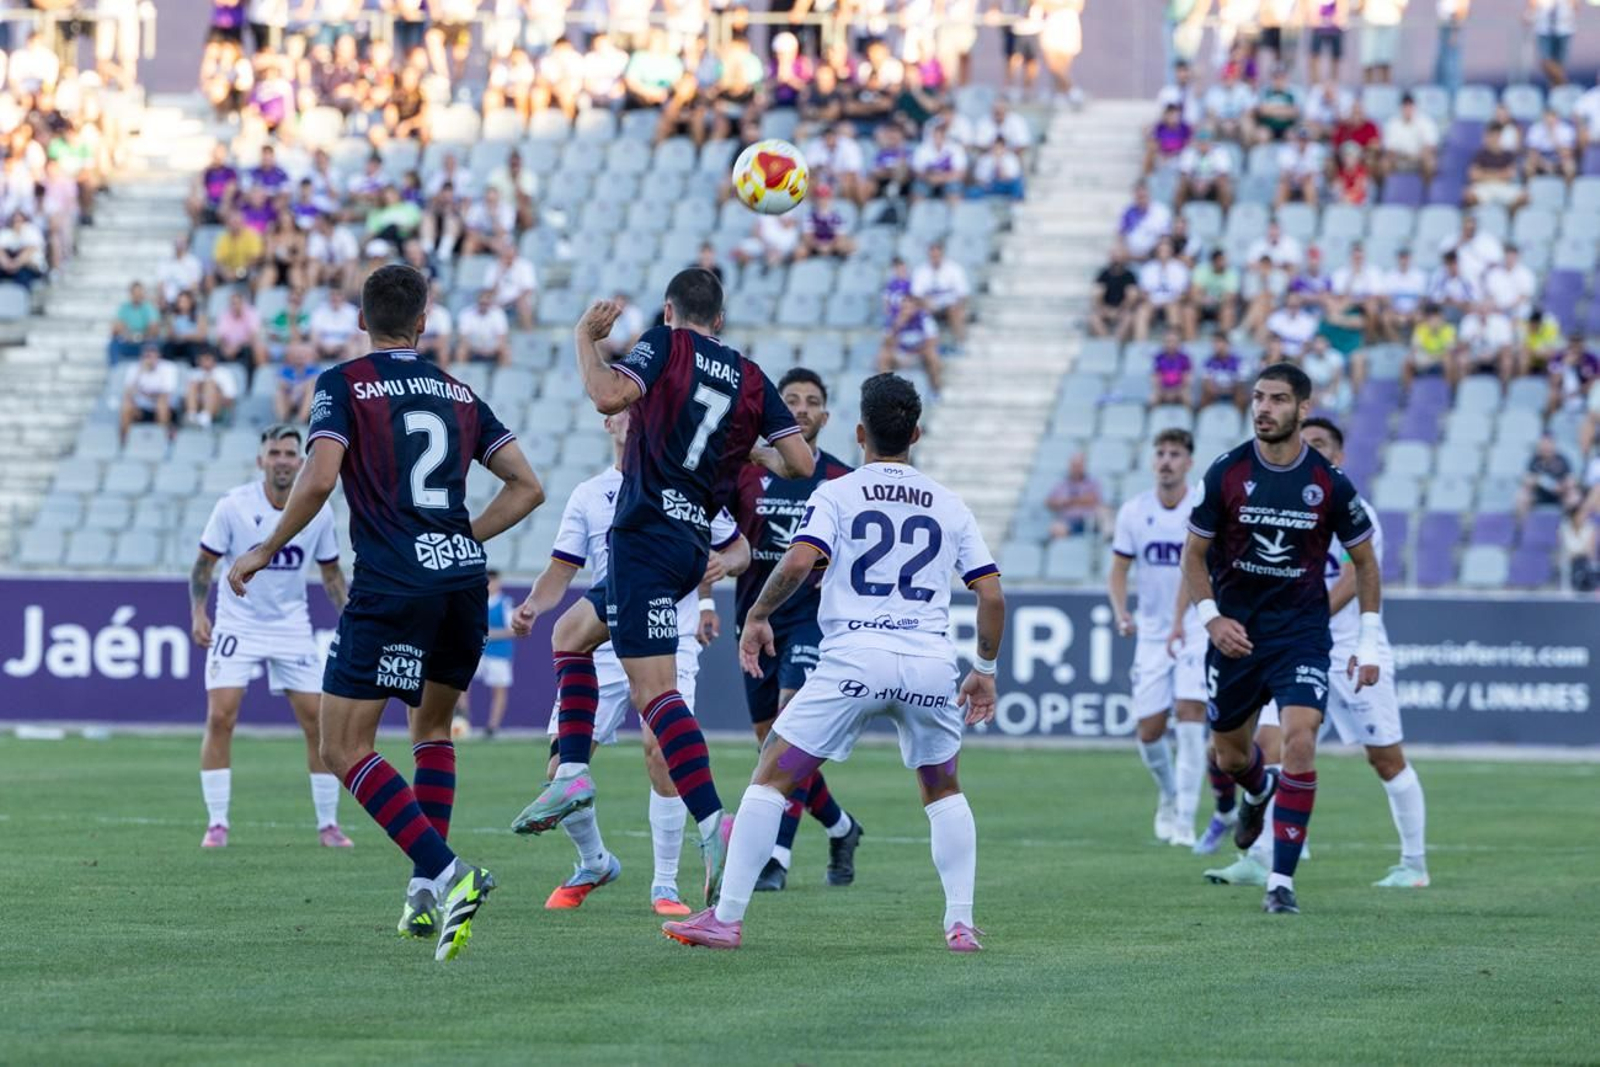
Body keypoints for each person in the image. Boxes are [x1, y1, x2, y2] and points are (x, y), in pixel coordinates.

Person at [227, 263, 544, 963]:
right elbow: (527, 487)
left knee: (343, 747)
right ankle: (424, 893)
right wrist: (460, 539)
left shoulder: (343, 384)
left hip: (393, 583)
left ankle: (451, 872)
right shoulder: (458, 390)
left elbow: (317, 478)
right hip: (461, 584)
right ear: (424, 320)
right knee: (432, 727)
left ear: (361, 322)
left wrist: (262, 547)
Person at [663, 372, 1005, 952]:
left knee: (771, 773)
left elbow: (799, 563)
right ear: (916, 433)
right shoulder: (949, 504)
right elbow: (991, 595)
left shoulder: (839, 492)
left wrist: (757, 615)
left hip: (854, 662)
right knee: (944, 790)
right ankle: (961, 923)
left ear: (859, 432)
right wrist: (986, 671)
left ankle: (726, 917)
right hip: (926, 664)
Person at [507, 270, 814, 912]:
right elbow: (803, 464)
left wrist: (584, 339)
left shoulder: (667, 345)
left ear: (670, 312)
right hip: (682, 536)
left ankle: (713, 823)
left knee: (655, 697)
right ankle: (571, 774)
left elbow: (605, 395)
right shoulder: (751, 375)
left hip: (647, 530)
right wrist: (756, 456)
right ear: (720, 320)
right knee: (572, 634)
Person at [518, 409, 750, 915]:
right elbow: (561, 570)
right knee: (561, 764)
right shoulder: (589, 494)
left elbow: (739, 549)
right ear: (608, 423)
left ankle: (665, 884)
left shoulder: (684, 485)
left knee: (659, 749)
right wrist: (534, 604)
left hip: (670, 634)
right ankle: (595, 861)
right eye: (623, 410)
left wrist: (723, 565)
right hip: (602, 639)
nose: (632, 417)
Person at [1179, 363, 1383, 914]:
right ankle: (1257, 790)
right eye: (1258, 398)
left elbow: (1364, 563)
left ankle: (1281, 883)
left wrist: (1366, 638)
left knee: (1298, 740)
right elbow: (1193, 554)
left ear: (1301, 408)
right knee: (1229, 754)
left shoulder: (1328, 483)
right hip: (1236, 636)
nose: (1263, 408)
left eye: (1277, 400)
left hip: (1301, 635)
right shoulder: (1226, 472)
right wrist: (1211, 618)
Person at [1204, 417, 1428, 890]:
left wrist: (1300, 621)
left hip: (1344, 647)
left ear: (1339, 457)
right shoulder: (1279, 504)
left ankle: (1414, 864)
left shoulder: (1354, 508)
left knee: (1385, 758)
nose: (1312, 451)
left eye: (1322, 445)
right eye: (1308, 443)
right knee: (1271, 748)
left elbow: (1353, 578)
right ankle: (1264, 857)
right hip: (1292, 646)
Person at [727, 368, 863, 893]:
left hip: (812, 620)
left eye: (812, 402)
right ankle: (842, 827)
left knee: (791, 728)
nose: (802, 409)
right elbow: (723, 534)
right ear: (777, 412)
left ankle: (775, 857)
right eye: (792, 401)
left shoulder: (841, 480)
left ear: (826, 417)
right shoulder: (745, 472)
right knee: (773, 745)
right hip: (755, 617)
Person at [191, 425, 351, 850]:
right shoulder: (233, 506)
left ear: (300, 461)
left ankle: (328, 824)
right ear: (261, 460)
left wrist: (350, 620)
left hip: (290, 626)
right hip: (237, 623)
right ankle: (218, 823)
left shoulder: (318, 510)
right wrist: (197, 611)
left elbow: (331, 573)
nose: (282, 460)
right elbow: (204, 563)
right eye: (274, 452)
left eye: (289, 453)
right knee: (221, 716)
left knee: (317, 722)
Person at [1109, 428, 1208, 848]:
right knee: (1149, 731)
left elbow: (1194, 565)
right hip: (1152, 632)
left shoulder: (1200, 507)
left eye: (1175, 454)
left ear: (1188, 462)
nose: (1166, 460)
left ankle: (1185, 818)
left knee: (1190, 716)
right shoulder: (1134, 511)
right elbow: (1118, 569)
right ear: (1153, 461)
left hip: (1196, 626)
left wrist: (1181, 621)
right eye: (1161, 453)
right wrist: (1121, 612)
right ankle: (1168, 795)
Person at [455, 571, 516, 740]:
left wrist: (488, 633)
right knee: (460, 681)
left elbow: (512, 630)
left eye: (493, 581)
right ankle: (463, 715)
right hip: (476, 651)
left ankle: (492, 727)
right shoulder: (476, 600)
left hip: (499, 653)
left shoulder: (505, 603)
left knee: (499, 690)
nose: (490, 585)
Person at [911, 241, 970, 348]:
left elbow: (963, 294)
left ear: (942, 254)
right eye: (932, 255)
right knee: (915, 310)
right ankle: (921, 347)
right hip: (929, 307)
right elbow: (916, 295)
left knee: (955, 310)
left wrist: (958, 305)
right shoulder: (921, 271)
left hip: (949, 307)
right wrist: (925, 302)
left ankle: (961, 343)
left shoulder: (954, 269)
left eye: (937, 255)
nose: (935, 258)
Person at [119, 343, 179, 443]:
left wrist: (147, 395)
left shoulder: (168, 368)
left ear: (158, 356)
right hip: (141, 407)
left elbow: (166, 393)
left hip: (161, 406)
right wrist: (140, 372)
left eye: (152, 355)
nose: (150, 359)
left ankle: (162, 441)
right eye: (147, 355)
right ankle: (125, 442)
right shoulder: (135, 369)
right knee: (126, 406)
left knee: (162, 404)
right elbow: (128, 393)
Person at [1517, 434, 1579, 518]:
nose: (1546, 448)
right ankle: (1522, 529)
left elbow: (1571, 480)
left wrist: (1562, 486)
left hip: (1559, 495)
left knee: (1574, 498)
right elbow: (1526, 478)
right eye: (1543, 445)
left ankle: (1568, 527)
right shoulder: (1534, 460)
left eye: (1548, 444)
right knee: (1521, 496)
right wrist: (1541, 481)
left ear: (1553, 445)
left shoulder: (1562, 460)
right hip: (1539, 495)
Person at [1047, 452, 1107, 538]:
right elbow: (1050, 502)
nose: (1076, 469)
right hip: (1068, 521)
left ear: (1084, 466)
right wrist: (1077, 501)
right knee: (1056, 529)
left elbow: (1093, 499)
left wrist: (1067, 501)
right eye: (1074, 465)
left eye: (1079, 465)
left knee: (1104, 513)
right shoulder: (1062, 484)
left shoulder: (1091, 483)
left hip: (1086, 520)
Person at [1383, 92, 1440, 182]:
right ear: (1401, 107)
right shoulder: (1393, 123)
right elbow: (1390, 149)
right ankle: (1387, 192)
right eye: (1405, 106)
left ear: (1415, 106)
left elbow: (1430, 146)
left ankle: (1428, 193)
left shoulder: (1425, 122)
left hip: (1419, 159)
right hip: (1400, 159)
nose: (1408, 109)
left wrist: (1419, 156)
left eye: (1410, 105)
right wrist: (1401, 157)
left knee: (1430, 163)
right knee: (1385, 163)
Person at [1090, 242, 1139, 340]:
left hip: (1123, 309)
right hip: (1106, 308)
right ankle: (1107, 342)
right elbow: (1097, 292)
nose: (1117, 258)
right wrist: (1103, 308)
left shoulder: (1129, 275)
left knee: (1128, 318)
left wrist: (1119, 310)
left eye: (1120, 255)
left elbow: (1132, 296)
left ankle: (1116, 342)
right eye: (1115, 255)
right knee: (1093, 318)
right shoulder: (1103, 274)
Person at [454, 287, 512, 366]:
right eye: (482, 303)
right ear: (477, 301)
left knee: (505, 350)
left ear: (490, 302)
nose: (484, 306)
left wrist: (491, 349)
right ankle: (462, 374)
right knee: (461, 350)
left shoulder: (498, 313)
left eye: (486, 303)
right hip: (472, 346)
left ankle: (503, 376)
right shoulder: (466, 313)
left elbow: (502, 337)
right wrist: (476, 349)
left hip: (492, 346)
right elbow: (463, 338)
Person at [184, 349, 239, 427]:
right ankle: (191, 416)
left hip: (219, 407)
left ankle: (205, 417)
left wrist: (214, 391)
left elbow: (230, 397)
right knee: (193, 384)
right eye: (202, 360)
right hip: (198, 406)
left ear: (214, 360)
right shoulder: (194, 374)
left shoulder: (224, 373)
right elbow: (187, 396)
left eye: (207, 359)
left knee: (210, 384)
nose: (205, 363)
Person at [109, 282, 161, 362]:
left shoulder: (149, 307)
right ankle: (115, 372)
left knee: (156, 342)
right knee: (114, 344)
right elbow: (117, 326)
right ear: (131, 293)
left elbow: (154, 326)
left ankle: (151, 370)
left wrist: (143, 336)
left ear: (142, 293)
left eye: (139, 292)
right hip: (128, 340)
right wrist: (127, 335)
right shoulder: (124, 307)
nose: (137, 295)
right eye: (135, 292)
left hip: (145, 341)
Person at [275, 338, 318, 423]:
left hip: (308, 401)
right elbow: (281, 382)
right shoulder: (285, 369)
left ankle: (300, 420)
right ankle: (282, 420)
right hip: (290, 398)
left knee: (311, 389)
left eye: (303, 354)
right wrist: (294, 391)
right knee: (280, 391)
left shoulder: (314, 369)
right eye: (297, 354)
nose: (299, 357)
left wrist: (299, 389)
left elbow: (314, 381)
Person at [1150, 330, 1194, 408]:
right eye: (1168, 341)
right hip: (1163, 390)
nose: (1171, 344)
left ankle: (1189, 417)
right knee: (1153, 397)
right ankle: (1153, 418)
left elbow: (1187, 380)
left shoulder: (1184, 358)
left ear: (1179, 343)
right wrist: (1165, 391)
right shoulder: (1159, 358)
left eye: (1173, 341)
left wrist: (1175, 391)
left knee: (1187, 396)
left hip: (1179, 390)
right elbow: (1156, 379)